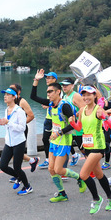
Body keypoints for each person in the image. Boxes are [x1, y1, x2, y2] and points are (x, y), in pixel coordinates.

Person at [30, 70, 87, 203]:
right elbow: (33, 97)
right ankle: (62, 193)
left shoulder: (65, 106)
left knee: (58, 169)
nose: (48, 94)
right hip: (54, 140)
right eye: (47, 92)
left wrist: (59, 132)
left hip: (64, 141)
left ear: (58, 92)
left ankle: (79, 178)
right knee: (51, 168)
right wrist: (36, 80)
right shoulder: (51, 104)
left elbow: (73, 125)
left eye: (51, 92)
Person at [76, 86, 111, 214]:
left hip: (98, 147)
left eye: (89, 95)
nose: (86, 97)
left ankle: (96, 199)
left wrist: (104, 117)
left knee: (83, 175)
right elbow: (79, 128)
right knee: (99, 175)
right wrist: (72, 122)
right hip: (88, 147)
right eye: (83, 95)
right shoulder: (82, 110)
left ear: (95, 96)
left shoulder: (98, 110)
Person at [0, 88, 33, 195]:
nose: (5, 96)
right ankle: (19, 177)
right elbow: (8, 126)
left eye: (8, 95)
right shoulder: (6, 109)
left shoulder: (19, 111)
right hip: (9, 142)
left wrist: (8, 122)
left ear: (14, 97)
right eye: (5, 94)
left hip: (18, 142)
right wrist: (4, 123)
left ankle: (27, 186)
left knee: (17, 167)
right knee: (3, 166)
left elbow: (22, 128)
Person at [60, 78, 85, 166]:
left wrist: (76, 114)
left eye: (66, 85)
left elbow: (84, 108)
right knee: (67, 145)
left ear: (72, 86)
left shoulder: (76, 96)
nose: (64, 87)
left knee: (82, 148)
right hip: (69, 126)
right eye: (63, 85)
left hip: (78, 127)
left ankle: (91, 164)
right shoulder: (64, 96)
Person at [38, 71, 59, 168]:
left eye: (49, 78)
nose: (47, 79)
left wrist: (50, 105)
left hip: (56, 119)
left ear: (54, 79)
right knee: (45, 139)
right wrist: (47, 105)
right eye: (46, 78)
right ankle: (48, 159)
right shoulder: (48, 89)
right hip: (48, 118)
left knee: (58, 139)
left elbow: (59, 102)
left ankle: (71, 156)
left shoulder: (58, 90)